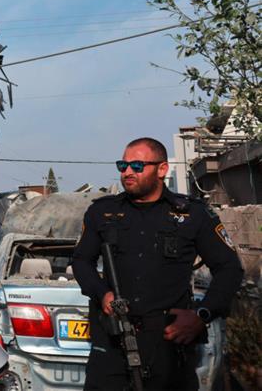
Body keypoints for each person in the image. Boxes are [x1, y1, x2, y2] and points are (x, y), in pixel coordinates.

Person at [72, 137, 243, 390]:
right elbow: (81, 261)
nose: (128, 172)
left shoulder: (192, 214)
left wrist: (201, 316)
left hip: (168, 344)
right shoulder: (102, 212)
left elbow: (230, 268)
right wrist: (103, 294)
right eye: (123, 166)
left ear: (162, 169)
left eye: (137, 166)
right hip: (113, 341)